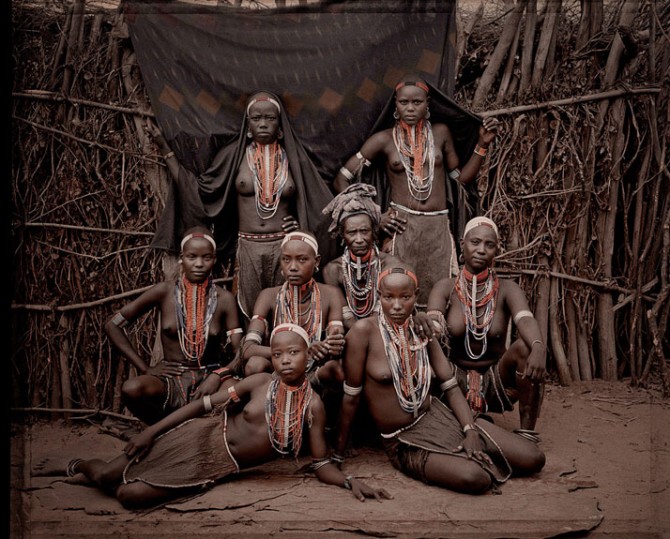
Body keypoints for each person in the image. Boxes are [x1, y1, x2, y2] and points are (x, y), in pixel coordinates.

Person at [34, 324, 392, 509]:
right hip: (200, 435)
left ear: (307, 357)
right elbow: (198, 407)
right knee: (109, 473)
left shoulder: (312, 406)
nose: (285, 360)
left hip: (218, 465)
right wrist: (151, 432)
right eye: (278, 353)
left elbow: (320, 464)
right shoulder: (258, 382)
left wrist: (348, 482)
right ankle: (79, 466)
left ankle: (105, 478)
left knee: (128, 496)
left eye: (294, 353)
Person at [334, 263, 545, 494]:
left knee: (533, 458)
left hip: (440, 417)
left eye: (404, 297)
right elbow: (351, 398)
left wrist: (470, 430)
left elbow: (451, 386)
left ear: (416, 296)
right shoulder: (363, 332)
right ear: (379, 296)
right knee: (476, 478)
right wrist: (338, 452)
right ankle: (472, 457)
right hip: (403, 440)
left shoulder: (420, 329)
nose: (396, 306)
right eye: (388, 297)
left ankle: (475, 443)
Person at [148, 90, 334, 322]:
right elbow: (200, 191)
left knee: (285, 311)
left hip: (285, 248)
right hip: (248, 246)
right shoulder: (233, 157)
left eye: (270, 118)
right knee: (250, 313)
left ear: (280, 125)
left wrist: (300, 225)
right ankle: (251, 356)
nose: (263, 124)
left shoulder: (294, 160)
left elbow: (316, 201)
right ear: (247, 125)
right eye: (257, 118)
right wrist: (165, 149)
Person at [333, 75, 500, 309]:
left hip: (438, 228)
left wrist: (482, 145)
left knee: (439, 301)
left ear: (427, 104)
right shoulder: (384, 140)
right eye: (404, 103)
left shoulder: (441, 134)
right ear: (395, 105)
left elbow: (461, 180)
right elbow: (342, 178)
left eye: (417, 102)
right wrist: (373, 216)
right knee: (398, 296)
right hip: (402, 227)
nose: (410, 108)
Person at [104, 226, 243, 426]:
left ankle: (198, 432)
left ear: (214, 260)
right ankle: (164, 430)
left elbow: (240, 351)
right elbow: (112, 325)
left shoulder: (224, 299)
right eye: (192, 257)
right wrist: (145, 368)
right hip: (171, 378)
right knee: (131, 389)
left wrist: (219, 374)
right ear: (181, 258)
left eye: (206, 258)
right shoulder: (164, 292)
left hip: (210, 376)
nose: (198, 264)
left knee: (237, 393)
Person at [425, 216, 546, 435]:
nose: (481, 249)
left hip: (496, 383)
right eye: (475, 242)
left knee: (527, 348)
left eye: (489, 245)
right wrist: (434, 326)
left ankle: (527, 436)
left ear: (496, 250)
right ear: (463, 244)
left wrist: (538, 346)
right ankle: (435, 423)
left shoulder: (508, 289)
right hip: (452, 380)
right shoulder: (445, 288)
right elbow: (433, 322)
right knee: (425, 346)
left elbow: (525, 319)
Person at [240, 231, 346, 390]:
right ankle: (272, 401)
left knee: (333, 369)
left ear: (316, 261)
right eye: (286, 259)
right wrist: (298, 352)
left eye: (302, 259)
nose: (293, 267)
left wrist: (329, 345)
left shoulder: (331, 294)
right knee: (255, 364)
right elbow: (248, 349)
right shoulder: (269, 296)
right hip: (279, 371)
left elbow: (335, 342)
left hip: (314, 370)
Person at [321, 183, 400, 330]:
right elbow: (343, 314)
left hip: (384, 329)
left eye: (364, 231)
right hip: (350, 332)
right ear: (342, 235)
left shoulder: (389, 264)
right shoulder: (333, 270)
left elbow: (388, 309)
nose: (359, 239)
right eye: (352, 232)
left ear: (374, 232)